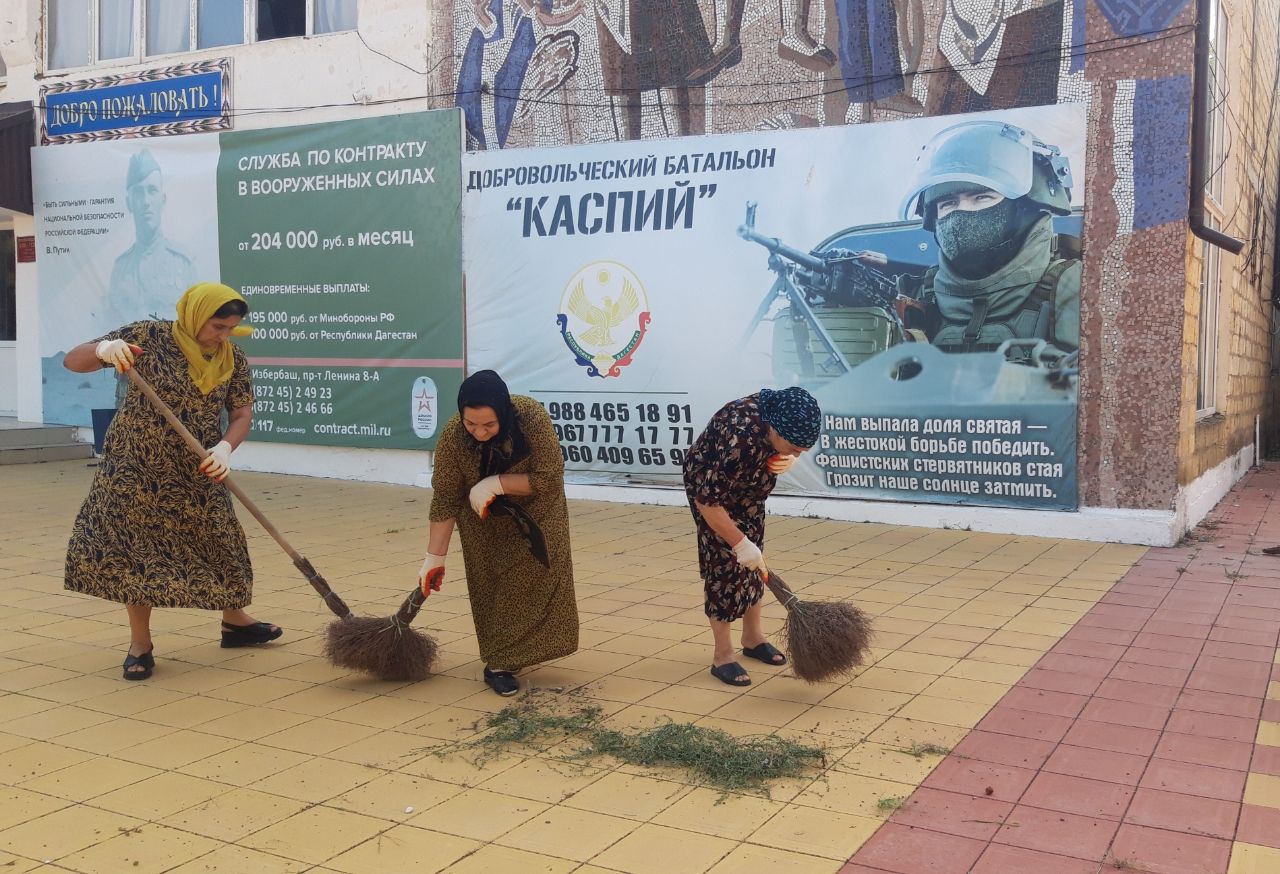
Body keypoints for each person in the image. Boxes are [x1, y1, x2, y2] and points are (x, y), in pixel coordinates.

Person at [62, 282, 280, 680]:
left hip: (199, 467)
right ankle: (140, 644)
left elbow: (242, 414)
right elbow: (73, 361)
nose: (222, 336)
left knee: (221, 541)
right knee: (137, 553)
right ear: (196, 315)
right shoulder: (148, 337)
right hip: (136, 467)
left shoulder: (234, 358)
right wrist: (102, 350)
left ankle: (235, 622)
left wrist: (225, 449)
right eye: (217, 326)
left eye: (230, 328)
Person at [419, 370, 578, 696]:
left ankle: (509, 658)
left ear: (503, 413)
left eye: (489, 425)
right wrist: (433, 559)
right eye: (471, 424)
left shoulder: (530, 417)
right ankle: (500, 661)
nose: (479, 432)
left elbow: (549, 475)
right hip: (483, 522)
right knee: (493, 585)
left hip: (537, 510)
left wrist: (496, 483)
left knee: (534, 579)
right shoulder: (452, 437)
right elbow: (446, 498)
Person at [898, 119, 1081, 361]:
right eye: (948, 204)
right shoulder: (917, 296)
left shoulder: (1076, 286)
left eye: (982, 197)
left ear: (1026, 206)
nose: (962, 213)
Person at [684, 386, 821, 686]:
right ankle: (723, 655)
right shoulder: (741, 440)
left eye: (802, 450)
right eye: (794, 447)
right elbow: (707, 501)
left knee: (754, 564)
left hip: (748, 491)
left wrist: (786, 456)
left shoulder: (781, 411)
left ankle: (752, 637)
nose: (797, 453)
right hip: (711, 492)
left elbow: (780, 447)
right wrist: (739, 542)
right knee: (725, 567)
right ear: (774, 428)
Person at [108, 149, 197, 326]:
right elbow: (110, 328)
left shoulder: (184, 263)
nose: (146, 201)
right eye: (139, 192)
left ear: (162, 200)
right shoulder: (120, 269)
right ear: (129, 203)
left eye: (152, 190)